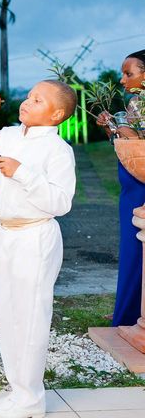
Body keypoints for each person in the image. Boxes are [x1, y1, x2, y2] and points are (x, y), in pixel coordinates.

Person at [0, 81, 77, 418]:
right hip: (7, 235)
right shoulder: (9, 135)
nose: (27, 102)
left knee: (31, 316)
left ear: (56, 114)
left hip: (36, 236)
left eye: (37, 100)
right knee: (7, 313)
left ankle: (31, 398)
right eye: (28, 96)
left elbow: (61, 201)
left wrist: (23, 173)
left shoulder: (57, 150)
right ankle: (18, 390)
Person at [97, 49, 145, 326]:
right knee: (131, 253)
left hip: (140, 189)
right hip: (130, 186)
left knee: (136, 251)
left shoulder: (140, 106)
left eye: (129, 73)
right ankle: (128, 310)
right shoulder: (135, 104)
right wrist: (111, 128)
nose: (123, 80)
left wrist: (118, 127)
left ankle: (128, 316)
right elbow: (125, 144)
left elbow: (137, 143)